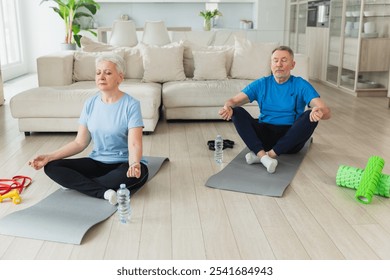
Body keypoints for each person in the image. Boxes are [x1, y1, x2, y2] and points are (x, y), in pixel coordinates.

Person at [29, 53, 148, 204]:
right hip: (97, 162)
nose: (101, 76)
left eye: (108, 72)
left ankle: (78, 184)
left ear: (120, 77)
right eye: (98, 72)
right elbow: (79, 143)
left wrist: (135, 163)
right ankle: (103, 192)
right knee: (52, 167)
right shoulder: (90, 103)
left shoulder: (131, 104)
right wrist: (49, 156)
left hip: (125, 163)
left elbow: (134, 144)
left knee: (122, 178)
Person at [219, 46, 331, 174]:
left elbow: (326, 111)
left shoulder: (301, 84)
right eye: (275, 60)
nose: (279, 64)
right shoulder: (261, 83)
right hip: (265, 137)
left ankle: (267, 156)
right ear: (271, 64)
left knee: (309, 115)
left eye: (284, 60)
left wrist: (319, 112)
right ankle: (263, 156)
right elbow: (233, 101)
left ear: (292, 64)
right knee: (237, 111)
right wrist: (227, 107)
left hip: (291, 140)